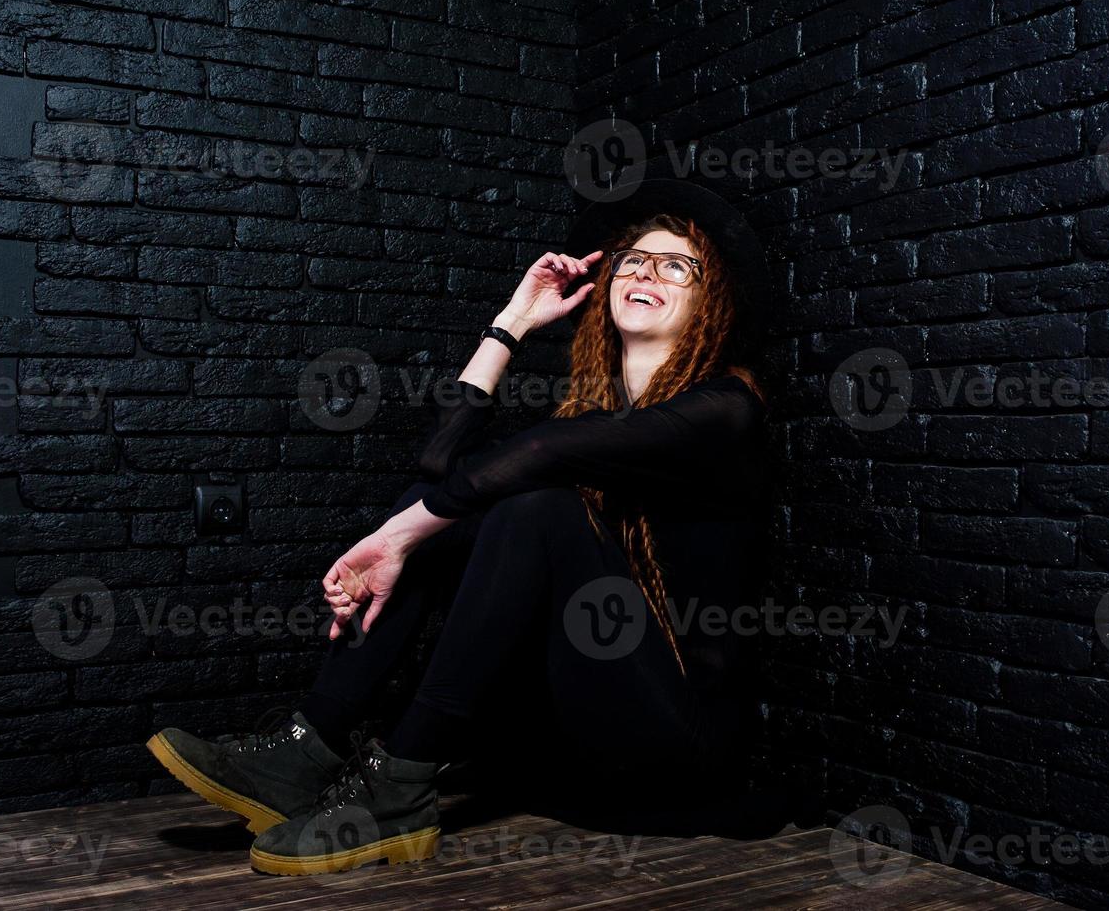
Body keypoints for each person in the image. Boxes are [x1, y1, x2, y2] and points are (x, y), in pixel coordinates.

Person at [145, 180, 776, 876]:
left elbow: (539, 459)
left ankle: (398, 783)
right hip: (576, 719)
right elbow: (439, 465)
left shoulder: (726, 407)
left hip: (670, 735)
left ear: (708, 300)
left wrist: (396, 538)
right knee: (460, 501)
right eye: (630, 260)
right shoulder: (587, 417)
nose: (644, 271)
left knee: (529, 502)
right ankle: (307, 746)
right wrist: (512, 321)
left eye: (674, 265)